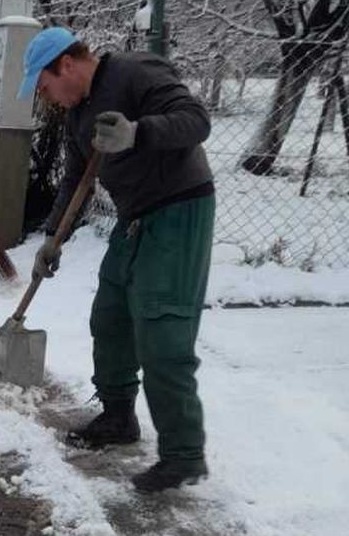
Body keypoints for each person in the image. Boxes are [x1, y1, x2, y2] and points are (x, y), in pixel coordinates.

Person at [18, 27, 215, 493]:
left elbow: (196, 120)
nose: (47, 97)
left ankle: (183, 454)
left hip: (178, 206)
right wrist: (52, 239)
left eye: (44, 86)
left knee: (162, 328)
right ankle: (118, 416)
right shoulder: (78, 115)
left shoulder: (133, 71)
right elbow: (74, 182)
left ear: (65, 65)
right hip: (134, 216)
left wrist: (137, 132)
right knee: (109, 316)